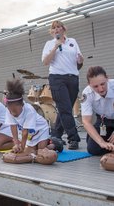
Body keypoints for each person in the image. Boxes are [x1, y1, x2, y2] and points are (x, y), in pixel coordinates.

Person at [41, 20, 84, 150]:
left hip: (73, 78)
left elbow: (78, 63)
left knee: (64, 109)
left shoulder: (73, 41)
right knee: (66, 109)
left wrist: (80, 60)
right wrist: (55, 46)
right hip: (57, 78)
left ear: (63, 29)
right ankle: (73, 138)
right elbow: (46, 62)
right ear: (52, 32)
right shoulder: (49, 44)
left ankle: (56, 136)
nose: (56, 30)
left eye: (59, 27)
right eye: (54, 28)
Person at [4, 79, 63, 157]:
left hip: (41, 129)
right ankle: (45, 143)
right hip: (31, 134)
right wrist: (16, 143)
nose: (12, 113)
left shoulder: (29, 110)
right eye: (10, 111)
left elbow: (25, 133)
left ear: (22, 105)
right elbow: (13, 126)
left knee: (41, 151)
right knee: (32, 151)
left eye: (14, 111)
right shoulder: (9, 110)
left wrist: (21, 147)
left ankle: (56, 144)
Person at [81, 66, 114, 155]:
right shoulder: (87, 93)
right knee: (93, 148)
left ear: (107, 78)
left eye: (103, 84)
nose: (100, 89)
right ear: (89, 84)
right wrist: (101, 142)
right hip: (104, 121)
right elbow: (86, 122)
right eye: (95, 86)